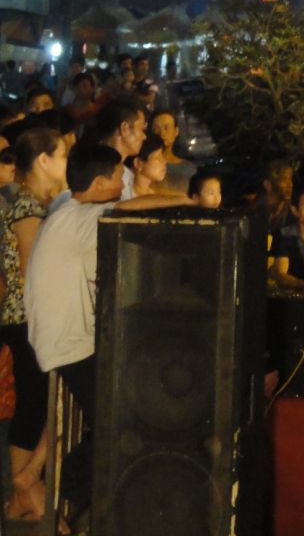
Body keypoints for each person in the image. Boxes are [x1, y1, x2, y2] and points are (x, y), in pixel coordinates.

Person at [24, 143, 186, 525]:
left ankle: (34, 479)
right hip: (69, 342)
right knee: (121, 423)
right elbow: (128, 209)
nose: (125, 184)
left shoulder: (68, 212)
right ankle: (55, 489)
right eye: (119, 177)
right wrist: (185, 199)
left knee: (103, 415)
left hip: (65, 338)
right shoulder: (83, 217)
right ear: (99, 183)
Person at [0, 126, 67, 522]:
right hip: (25, 317)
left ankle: (22, 493)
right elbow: (29, 270)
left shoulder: (30, 202)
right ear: (44, 160)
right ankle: (24, 488)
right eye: (61, 155)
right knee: (34, 402)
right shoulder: (27, 206)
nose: (65, 164)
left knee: (35, 401)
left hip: (27, 316)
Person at [126, 134, 168, 198]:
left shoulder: (152, 195)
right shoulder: (124, 196)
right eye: (157, 157)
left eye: (162, 156)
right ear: (138, 163)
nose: (164, 161)